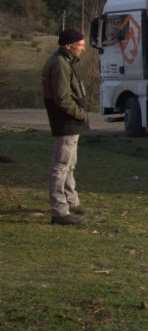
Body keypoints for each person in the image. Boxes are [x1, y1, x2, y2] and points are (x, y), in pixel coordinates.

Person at [41, 29, 91, 226]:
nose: (83, 48)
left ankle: (71, 201)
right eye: (80, 44)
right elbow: (62, 98)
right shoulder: (60, 64)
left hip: (69, 121)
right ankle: (60, 211)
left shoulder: (63, 61)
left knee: (69, 163)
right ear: (68, 45)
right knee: (61, 165)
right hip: (66, 120)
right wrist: (80, 114)